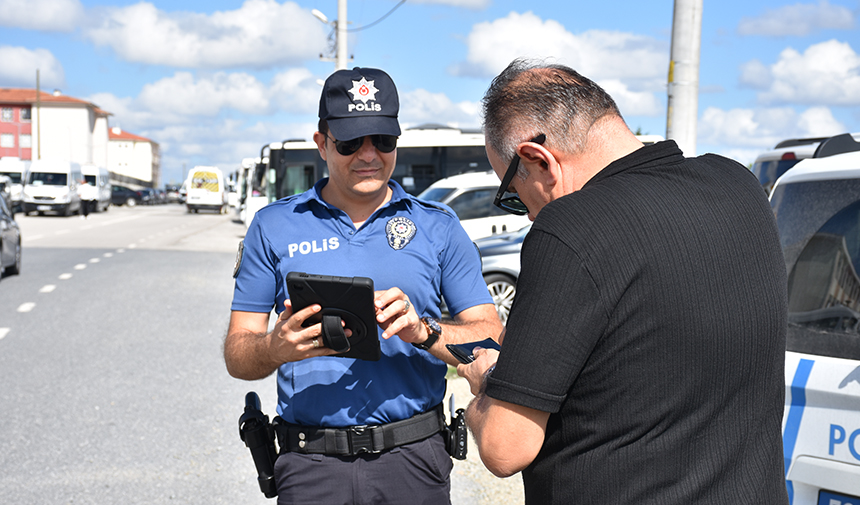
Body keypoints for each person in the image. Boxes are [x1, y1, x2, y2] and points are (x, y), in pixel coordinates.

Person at [457, 59, 789, 504]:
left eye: (513, 196)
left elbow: (505, 447)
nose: (529, 214)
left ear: (538, 160)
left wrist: (488, 382)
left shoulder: (569, 228)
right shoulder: (739, 184)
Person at [225, 66, 502, 504]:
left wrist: (423, 331)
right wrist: (275, 348)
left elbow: (490, 340)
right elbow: (238, 355)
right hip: (309, 463)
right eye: (351, 142)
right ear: (322, 143)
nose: (369, 155)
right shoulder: (274, 225)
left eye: (383, 140)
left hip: (413, 459)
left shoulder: (438, 226)